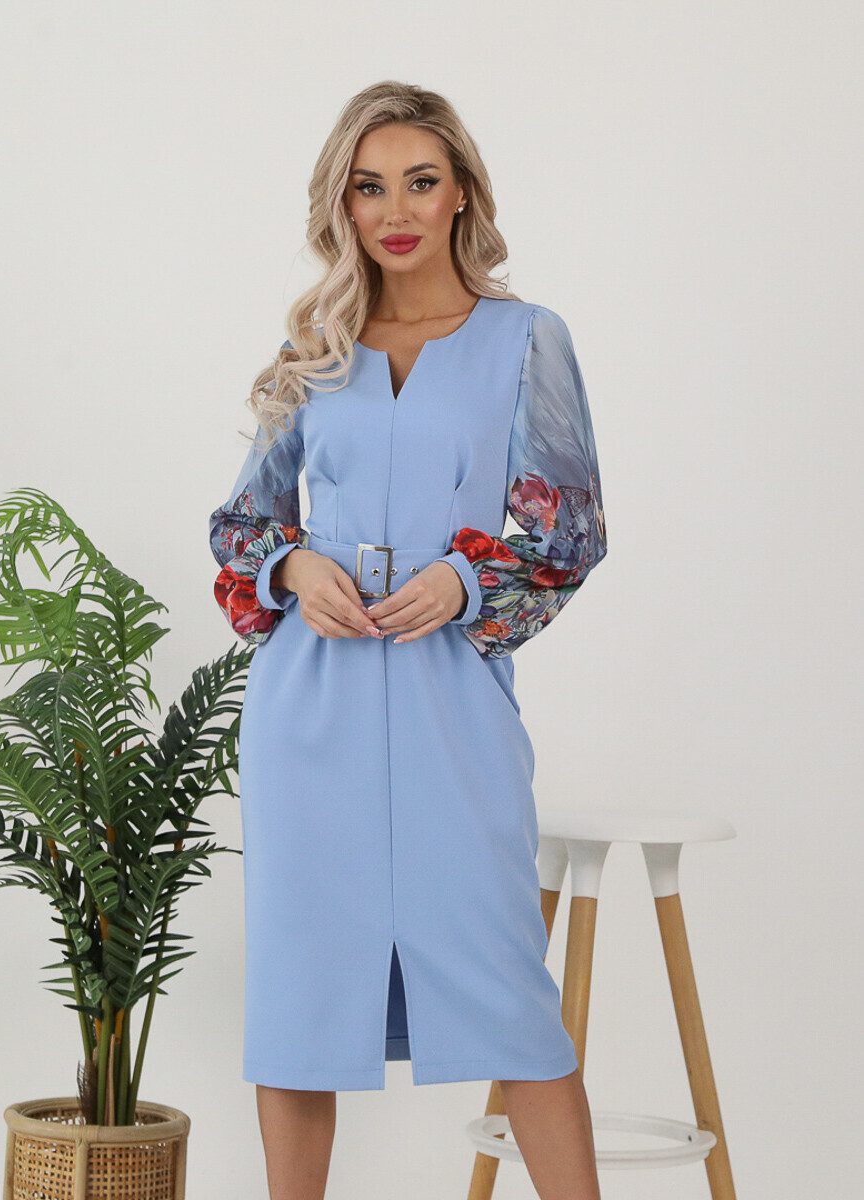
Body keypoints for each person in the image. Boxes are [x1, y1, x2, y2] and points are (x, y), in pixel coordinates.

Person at [209, 80, 607, 1200]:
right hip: (310, 704)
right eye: (368, 187)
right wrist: (294, 568)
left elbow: (572, 530)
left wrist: (464, 580)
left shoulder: (525, 340)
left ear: (461, 192)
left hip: (450, 698)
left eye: (420, 182)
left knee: (511, 1001)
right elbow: (240, 528)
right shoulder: (315, 349)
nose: (395, 211)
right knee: (299, 1007)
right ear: (341, 205)